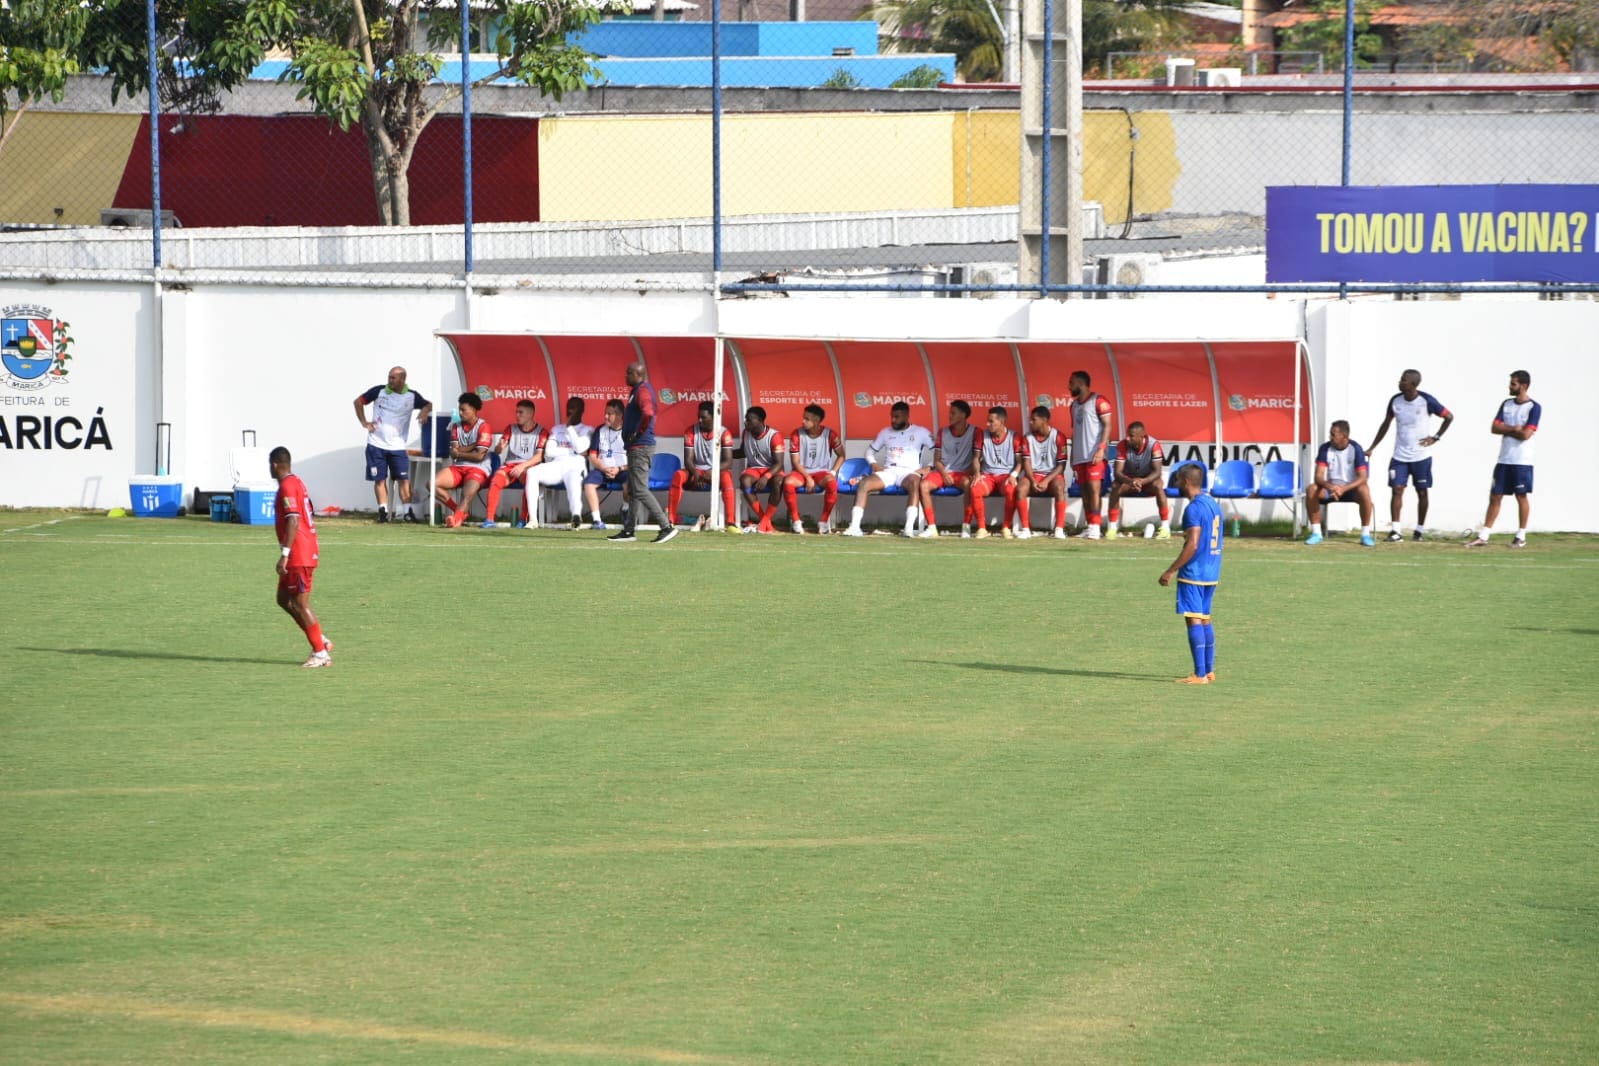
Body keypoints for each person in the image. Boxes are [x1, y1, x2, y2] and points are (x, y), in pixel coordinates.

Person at [1367, 369, 1453, 541]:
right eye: (1401, 379)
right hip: (1400, 455)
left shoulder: (1426, 401)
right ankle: (1396, 531)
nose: (1400, 382)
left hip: (1421, 456)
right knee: (1397, 490)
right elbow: (1386, 424)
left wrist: (1435, 437)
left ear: (1413, 384)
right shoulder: (1395, 401)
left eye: (1403, 380)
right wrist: (1372, 447)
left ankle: (1419, 531)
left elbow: (1449, 416)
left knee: (1422, 491)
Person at [269, 446, 333, 668]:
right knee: (283, 599)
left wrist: (285, 554)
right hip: (300, 550)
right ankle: (321, 640)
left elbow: (293, 520)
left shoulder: (287, 485)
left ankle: (320, 652)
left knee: (299, 602)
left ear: (275, 464)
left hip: (299, 553)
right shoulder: (297, 482)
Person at [1158, 463, 1221, 685]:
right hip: (1212, 570)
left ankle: (1200, 674)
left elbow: (1193, 544)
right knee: (1204, 619)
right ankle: (1209, 671)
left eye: (1177, 481)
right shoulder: (1213, 504)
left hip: (1194, 572)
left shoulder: (1193, 509)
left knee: (1193, 619)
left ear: (1185, 482)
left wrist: (1171, 570)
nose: (1176, 486)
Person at [1469, 369, 1540, 549]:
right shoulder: (1506, 404)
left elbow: (1526, 434)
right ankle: (1484, 536)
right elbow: (1494, 427)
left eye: (1513, 384)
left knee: (1521, 496)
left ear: (1523, 386)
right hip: (1504, 459)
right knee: (1495, 496)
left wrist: (1511, 429)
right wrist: (1514, 428)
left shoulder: (1534, 407)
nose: (1510, 387)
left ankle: (1521, 536)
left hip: (1522, 461)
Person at [843, 401, 934, 537]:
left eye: (897, 417)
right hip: (889, 472)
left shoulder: (921, 432)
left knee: (916, 482)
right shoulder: (885, 432)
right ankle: (855, 527)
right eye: (892, 416)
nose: (893, 420)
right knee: (864, 483)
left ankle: (908, 528)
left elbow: (939, 453)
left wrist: (929, 467)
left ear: (906, 416)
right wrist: (873, 464)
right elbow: (869, 452)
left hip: (909, 472)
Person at [353, 365, 432, 523]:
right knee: (380, 479)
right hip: (375, 444)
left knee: (404, 480)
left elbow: (428, 404)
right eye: (389, 377)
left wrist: (423, 412)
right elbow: (358, 402)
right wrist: (364, 422)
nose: (389, 380)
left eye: (393, 378)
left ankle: (407, 512)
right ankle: (383, 512)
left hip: (397, 446)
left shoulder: (412, 396)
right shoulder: (379, 391)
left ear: (403, 379)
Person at [612, 361, 679, 544]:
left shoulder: (642, 390)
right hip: (636, 447)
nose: (625, 376)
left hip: (640, 447)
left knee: (640, 489)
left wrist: (637, 433)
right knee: (634, 490)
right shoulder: (636, 391)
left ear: (636, 374)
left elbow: (648, 413)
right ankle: (629, 531)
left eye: (628, 373)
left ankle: (666, 526)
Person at [1304, 420, 1375, 546]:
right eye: (1330, 434)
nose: (1330, 437)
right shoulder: (1325, 448)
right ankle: (1316, 533)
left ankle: (1365, 535)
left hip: (1350, 490)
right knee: (1312, 489)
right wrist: (1332, 487)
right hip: (1331, 491)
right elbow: (1318, 476)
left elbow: (1363, 477)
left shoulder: (1356, 449)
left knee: (1364, 490)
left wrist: (1343, 489)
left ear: (1344, 436)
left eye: (1333, 434)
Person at [525, 396, 592, 529]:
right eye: (568, 408)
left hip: (575, 466)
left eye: (573, 408)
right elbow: (549, 452)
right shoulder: (557, 429)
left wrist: (570, 428)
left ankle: (576, 517)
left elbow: (580, 448)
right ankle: (533, 519)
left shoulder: (588, 430)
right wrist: (572, 451)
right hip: (556, 466)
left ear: (581, 411)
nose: (569, 411)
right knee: (532, 472)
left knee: (574, 479)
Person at [670, 400, 737, 532]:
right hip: (697, 471)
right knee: (678, 475)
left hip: (715, 472)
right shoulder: (690, 431)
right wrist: (696, 473)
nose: (700, 420)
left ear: (713, 417)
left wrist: (713, 471)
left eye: (703, 417)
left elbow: (728, 462)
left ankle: (731, 523)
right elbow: (688, 460)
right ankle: (670, 520)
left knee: (727, 477)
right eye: (698, 417)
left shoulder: (724, 433)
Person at [481, 399, 547, 529]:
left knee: (530, 480)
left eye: (520, 412)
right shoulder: (510, 429)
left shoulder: (542, 432)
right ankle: (489, 519)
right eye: (516, 412)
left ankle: (523, 519)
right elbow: (498, 450)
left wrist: (523, 466)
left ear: (530, 414)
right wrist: (499, 447)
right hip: (510, 466)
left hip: (529, 466)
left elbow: (539, 456)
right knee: (496, 480)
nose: (517, 415)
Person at [917, 400, 976, 539]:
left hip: (962, 474)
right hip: (943, 472)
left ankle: (966, 527)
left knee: (969, 485)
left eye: (953, 413)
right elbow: (937, 460)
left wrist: (969, 472)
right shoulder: (942, 432)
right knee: (923, 485)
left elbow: (979, 458)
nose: (950, 416)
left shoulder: (975, 431)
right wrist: (944, 473)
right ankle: (931, 527)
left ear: (963, 415)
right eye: (950, 413)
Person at [434, 392, 494, 528]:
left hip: (479, 467)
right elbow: (454, 454)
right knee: (432, 484)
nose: (460, 413)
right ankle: (459, 512)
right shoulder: (456, 426)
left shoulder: (484, 427)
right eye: (459, 409)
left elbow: (480, 456)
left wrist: (461, 451)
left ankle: (455, 520)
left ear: (473, 410)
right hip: (459, 466)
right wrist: (471, 447)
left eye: (463, 410)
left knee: (466, 494)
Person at [784, 403, 845, 534]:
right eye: (803, 418)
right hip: (801, 471)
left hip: (821, 472)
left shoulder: (830, 434)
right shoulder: (796, 434)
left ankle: (823, 521)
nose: (803, 421)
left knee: (832, 482)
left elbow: (841, 456)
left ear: (817, 421)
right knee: (788, 482)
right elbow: (795, 462)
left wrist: (833, 472)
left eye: (807, 419)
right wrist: (807, 477)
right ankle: (796, 521)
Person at [1067, 370, 1114, 539]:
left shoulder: (1099, 401)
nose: (1069, 386)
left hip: (1095, 455)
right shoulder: (1073, 405)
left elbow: (1108, 426)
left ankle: (1096, 527)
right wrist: (1073, 454)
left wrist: (1101, 448)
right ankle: (1089, 525)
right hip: (1080, 456)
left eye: (1071, 383)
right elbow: (1074, 432)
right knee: (1085, 491)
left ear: (1080, 383)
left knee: (1095, 490)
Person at [1105, 421, 1171, 540]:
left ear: (1142, 436)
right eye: (1127, 435)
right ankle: (1112, 528)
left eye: (1131, 436)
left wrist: (1142, 481)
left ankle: (1165, 528)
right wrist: (1131, 482)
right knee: (1115, 487)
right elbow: (1117, 472)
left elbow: (1157, 472)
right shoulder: (1122, 445)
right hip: (1129, 481)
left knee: (1158, 486)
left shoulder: (1153, 445)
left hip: (1148, 480)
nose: (1127, 438)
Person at [967, 406, 1021, 540]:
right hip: (988, 476)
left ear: (1001, 422)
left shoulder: (1015, 436)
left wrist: (1013, 475)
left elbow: (1021, 462)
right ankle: (981, 528)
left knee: (1010, 489)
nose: (987, 424)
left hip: (1006, 476)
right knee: (975, 489)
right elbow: (976, 457)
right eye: (988, 421)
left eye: (991, 422)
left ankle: (1006, 527)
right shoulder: (981, 435)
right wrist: (977, 474)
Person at [1017, 405, 1070, 539]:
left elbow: (1061, 466)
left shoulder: (1059, 436)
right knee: (1021, 488)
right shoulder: (1027, 438)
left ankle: (1059, 529)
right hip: (1033, 474)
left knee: (1059, 487)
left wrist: (1046, 480)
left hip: (1052, 475)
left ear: (1044, 420)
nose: (1031, 422)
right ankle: (1025, 529)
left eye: (1034, 420)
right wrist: (1033, 480)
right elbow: (1027, 462)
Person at [736, 405, 786, 534]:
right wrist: (723, 453)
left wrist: (766, 477)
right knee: (744, 481)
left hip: (773, 469)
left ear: (760, 421)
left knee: (778, 482)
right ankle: (765, 521)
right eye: (746, 419)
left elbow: (779, 463)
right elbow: (742, 452)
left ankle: (764, 522)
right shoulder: (746, 433)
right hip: (754, 469)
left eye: (749, 420)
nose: (746, 422)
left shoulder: (775, 436)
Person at [582, 398, 627, 530]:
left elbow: (635, 459)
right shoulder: (600, 430)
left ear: (620, 416)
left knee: (631, 484)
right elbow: (592, 455)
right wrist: (604, 468)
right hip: (602, 469)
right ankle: (597, 521)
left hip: (623, 469)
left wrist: (619, 469)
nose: (606, 416)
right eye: (605, 413)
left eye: (610, 414)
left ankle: (625, 509)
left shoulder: (629, 431)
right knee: (588, 484)